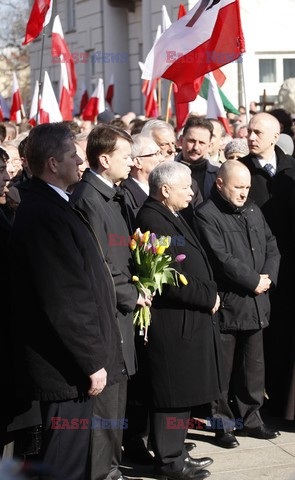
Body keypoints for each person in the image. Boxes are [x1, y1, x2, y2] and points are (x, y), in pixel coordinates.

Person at [8, 123, 125, 480]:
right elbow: (65, 300)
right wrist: (91, 361)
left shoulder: (54, 205)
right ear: (53, 163)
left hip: (69, 363)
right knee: (64, 462)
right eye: (74, 155)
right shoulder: (45, 214)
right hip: (65, 367)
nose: (81, 161)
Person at [71, 124, 151, 480]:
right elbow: (99, 265)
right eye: (125, 156)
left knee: (117, 403)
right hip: (108, 316)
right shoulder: (89, 198)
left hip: (123, 311)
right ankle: (103, 473)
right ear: (104, 159)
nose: (132, 162)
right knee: (104, 407)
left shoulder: (113, 195)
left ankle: (111, 468)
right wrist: (133, 294)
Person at [136, 161, 223, 480]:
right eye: (186, 186)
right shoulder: (151, 218)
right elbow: (169, 279)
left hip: (188, 321)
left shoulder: (169, 213)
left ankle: (176, 450)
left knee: (181, 393)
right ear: (165, 190)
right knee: (171, 394)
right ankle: (169, 460)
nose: (192, 190)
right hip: (174, 323)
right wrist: (208, 295)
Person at [195, 161, 281, 448]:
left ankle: (251, 419)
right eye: (238, 187)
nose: (244, 193)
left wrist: (266, 278)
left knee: (253, 369)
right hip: (231, 305)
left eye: (247, 187)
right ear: (220, 184)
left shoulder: (253, 210)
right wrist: (253, 281)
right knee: (223, 371)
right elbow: (221, 260)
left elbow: (271, 244)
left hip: (257, 302)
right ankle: (223, 425)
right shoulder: (207, 214)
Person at [239, 112, 295, 418]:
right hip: (256, 272)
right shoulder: (240, 171)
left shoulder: (291, 169)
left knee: (287, 337)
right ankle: (257, 406)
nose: (251, 137)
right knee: (262, 341)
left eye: (258, 132)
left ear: (276, 136)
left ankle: (285, 401)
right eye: (249, 131)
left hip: (290, 271)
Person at [122, 133, 164, 215]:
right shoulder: (126, 197)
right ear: (138, 162)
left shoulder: (164, 188)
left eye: (160, 153)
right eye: (156, 154)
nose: (162, 159)